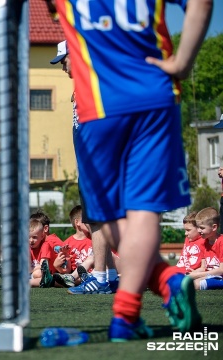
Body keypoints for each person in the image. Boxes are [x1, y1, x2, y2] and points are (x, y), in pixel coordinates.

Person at [49, 0, 211, 341]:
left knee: (114, 218)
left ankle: (129, 311)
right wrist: (183, 63)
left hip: (99, 105)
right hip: (151, 95)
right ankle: (156, 289)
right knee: (137, 214)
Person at [50, 40, 119, 295]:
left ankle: (99, 278)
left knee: (97, 220)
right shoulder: (81, 87)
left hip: (98, 164)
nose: (63, 67)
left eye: (64, 60)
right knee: (96, 220)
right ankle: (110, 276)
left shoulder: (92, 84)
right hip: (91, 165)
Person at [187, 207, 223, 290]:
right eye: (198, 227)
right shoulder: (204, 242)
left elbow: (221, 270)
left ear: (214, 227)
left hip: (220, 277)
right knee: (183, 280)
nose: (199, 230)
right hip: (209, 275)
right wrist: (191, 274)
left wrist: (198, 275)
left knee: (193, 284)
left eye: (202, 228)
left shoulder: (221, 242)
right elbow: (203, 267)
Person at [27, 217, 60, 288]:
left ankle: (27, 282)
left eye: (34, 237)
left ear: (42, 236)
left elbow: (43, 267)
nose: (31, 240)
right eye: (28, 237)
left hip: (47, 274)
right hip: (33, 273)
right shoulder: (27, 247)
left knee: (38, 273)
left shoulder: (45, 245)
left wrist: (31, 270)